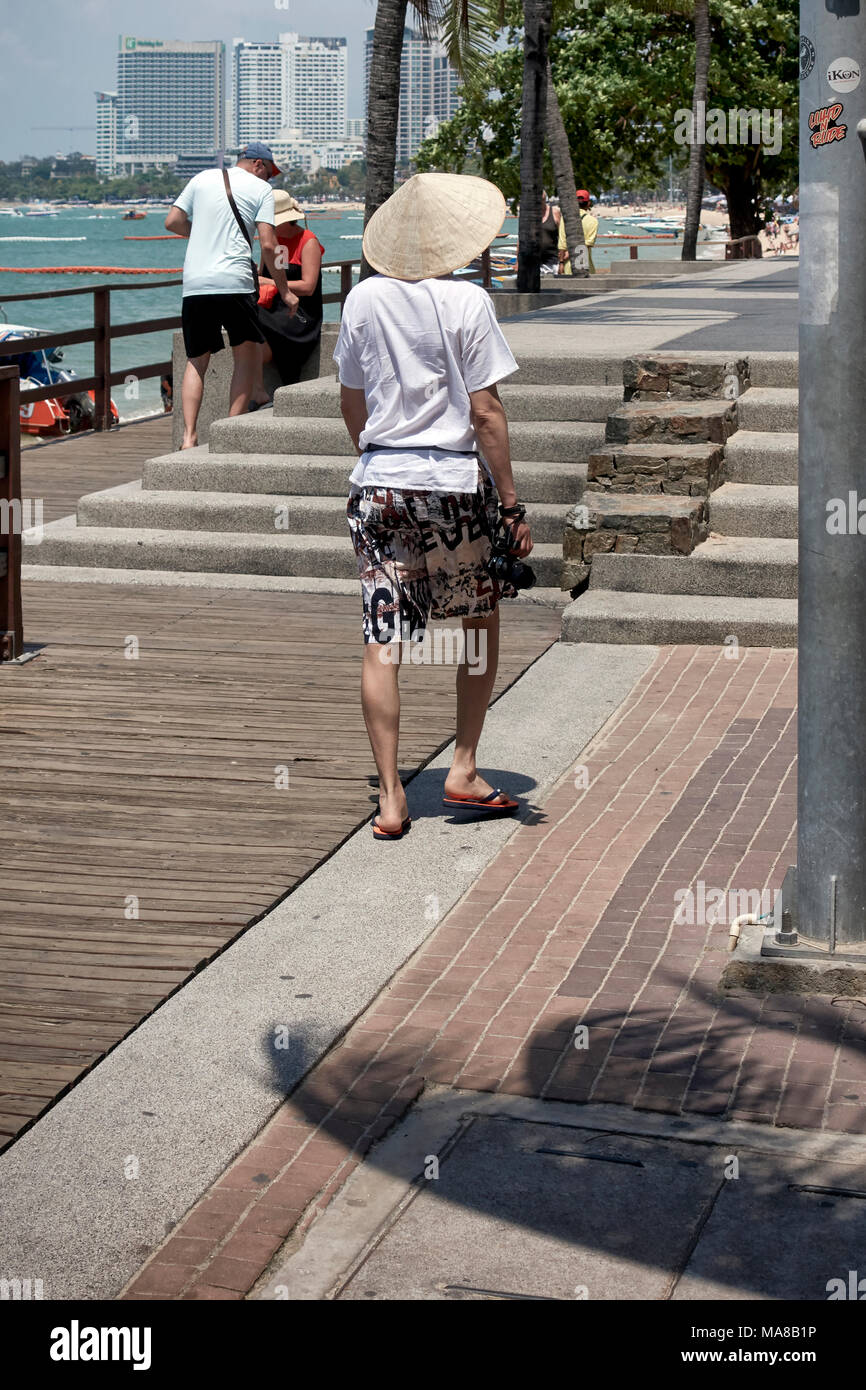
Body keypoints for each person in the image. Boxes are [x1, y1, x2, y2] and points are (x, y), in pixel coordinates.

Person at [334, 172, 533, 841]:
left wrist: (381, 454)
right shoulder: (468, 304)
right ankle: (465, 767)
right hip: (451, 484)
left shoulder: (363, 300)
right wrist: (511, 503)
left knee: (382, 640)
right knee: (476, 623)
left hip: (379, 482)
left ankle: (391, 797)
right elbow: (486, 412)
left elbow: (351, 403)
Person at [165, 142, 299, 450]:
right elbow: (268, 245)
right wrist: (285, 290)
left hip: (196, 284)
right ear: (258, 165)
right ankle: (229, 430)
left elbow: (172, 222)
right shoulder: (260, 190)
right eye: (269, 172)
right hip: (235, 283)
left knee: (196, 360)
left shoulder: (201, 179)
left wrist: (203, 231)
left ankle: (188, 436)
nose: (268, 179)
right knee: (245, 353)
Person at [251, 191, 325, 405]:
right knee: (247, 317)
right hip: (273, 307)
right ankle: (257, 389)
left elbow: (308, 286)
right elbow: (262, 277)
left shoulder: (308, 241)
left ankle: (259, 390)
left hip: (301, 313)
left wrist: (273, 284)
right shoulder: (269, 242)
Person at [558, 189, 599, 275]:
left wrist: (561, 263)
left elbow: (562, 243)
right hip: (585, 265)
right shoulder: (593, 221)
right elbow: (588, 244)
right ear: (588, 204)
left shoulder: (565, 219)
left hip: (568, 265)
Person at [539, 190, 561, 276]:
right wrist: (518, 262)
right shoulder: (529, 215)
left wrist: (564, 255)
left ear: (545, 200)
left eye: (541, 200)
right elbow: (521, 239)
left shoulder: (555, 212)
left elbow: (563, 235)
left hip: (553, 260)